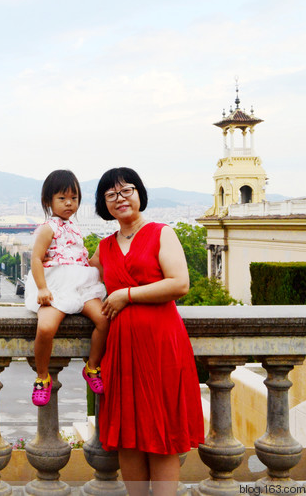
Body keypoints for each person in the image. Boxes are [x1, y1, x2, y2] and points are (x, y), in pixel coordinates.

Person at [89, 167, 204, 496]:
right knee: (129, 433)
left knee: (162, 433)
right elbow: (78, 280)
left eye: (126, 191)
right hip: (122, 348)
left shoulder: (161, 232)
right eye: (111, 195)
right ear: (103, 205)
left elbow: (179, 283)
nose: (120, 199)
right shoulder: (105, 247)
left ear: (139, 194)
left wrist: (127, 295)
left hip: (160, 344)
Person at [25, 169, 109, 407]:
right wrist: (42, 288)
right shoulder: (47, 228)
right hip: (57, 285)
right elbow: (36, 259)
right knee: (46, 328)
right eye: (62, 198)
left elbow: (79, 259)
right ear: (48, 201)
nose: (69, 203)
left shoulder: (74, 227)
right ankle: (42, 376)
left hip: (80, 284)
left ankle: (92, 367)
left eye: (74, 198)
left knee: (104, 321)